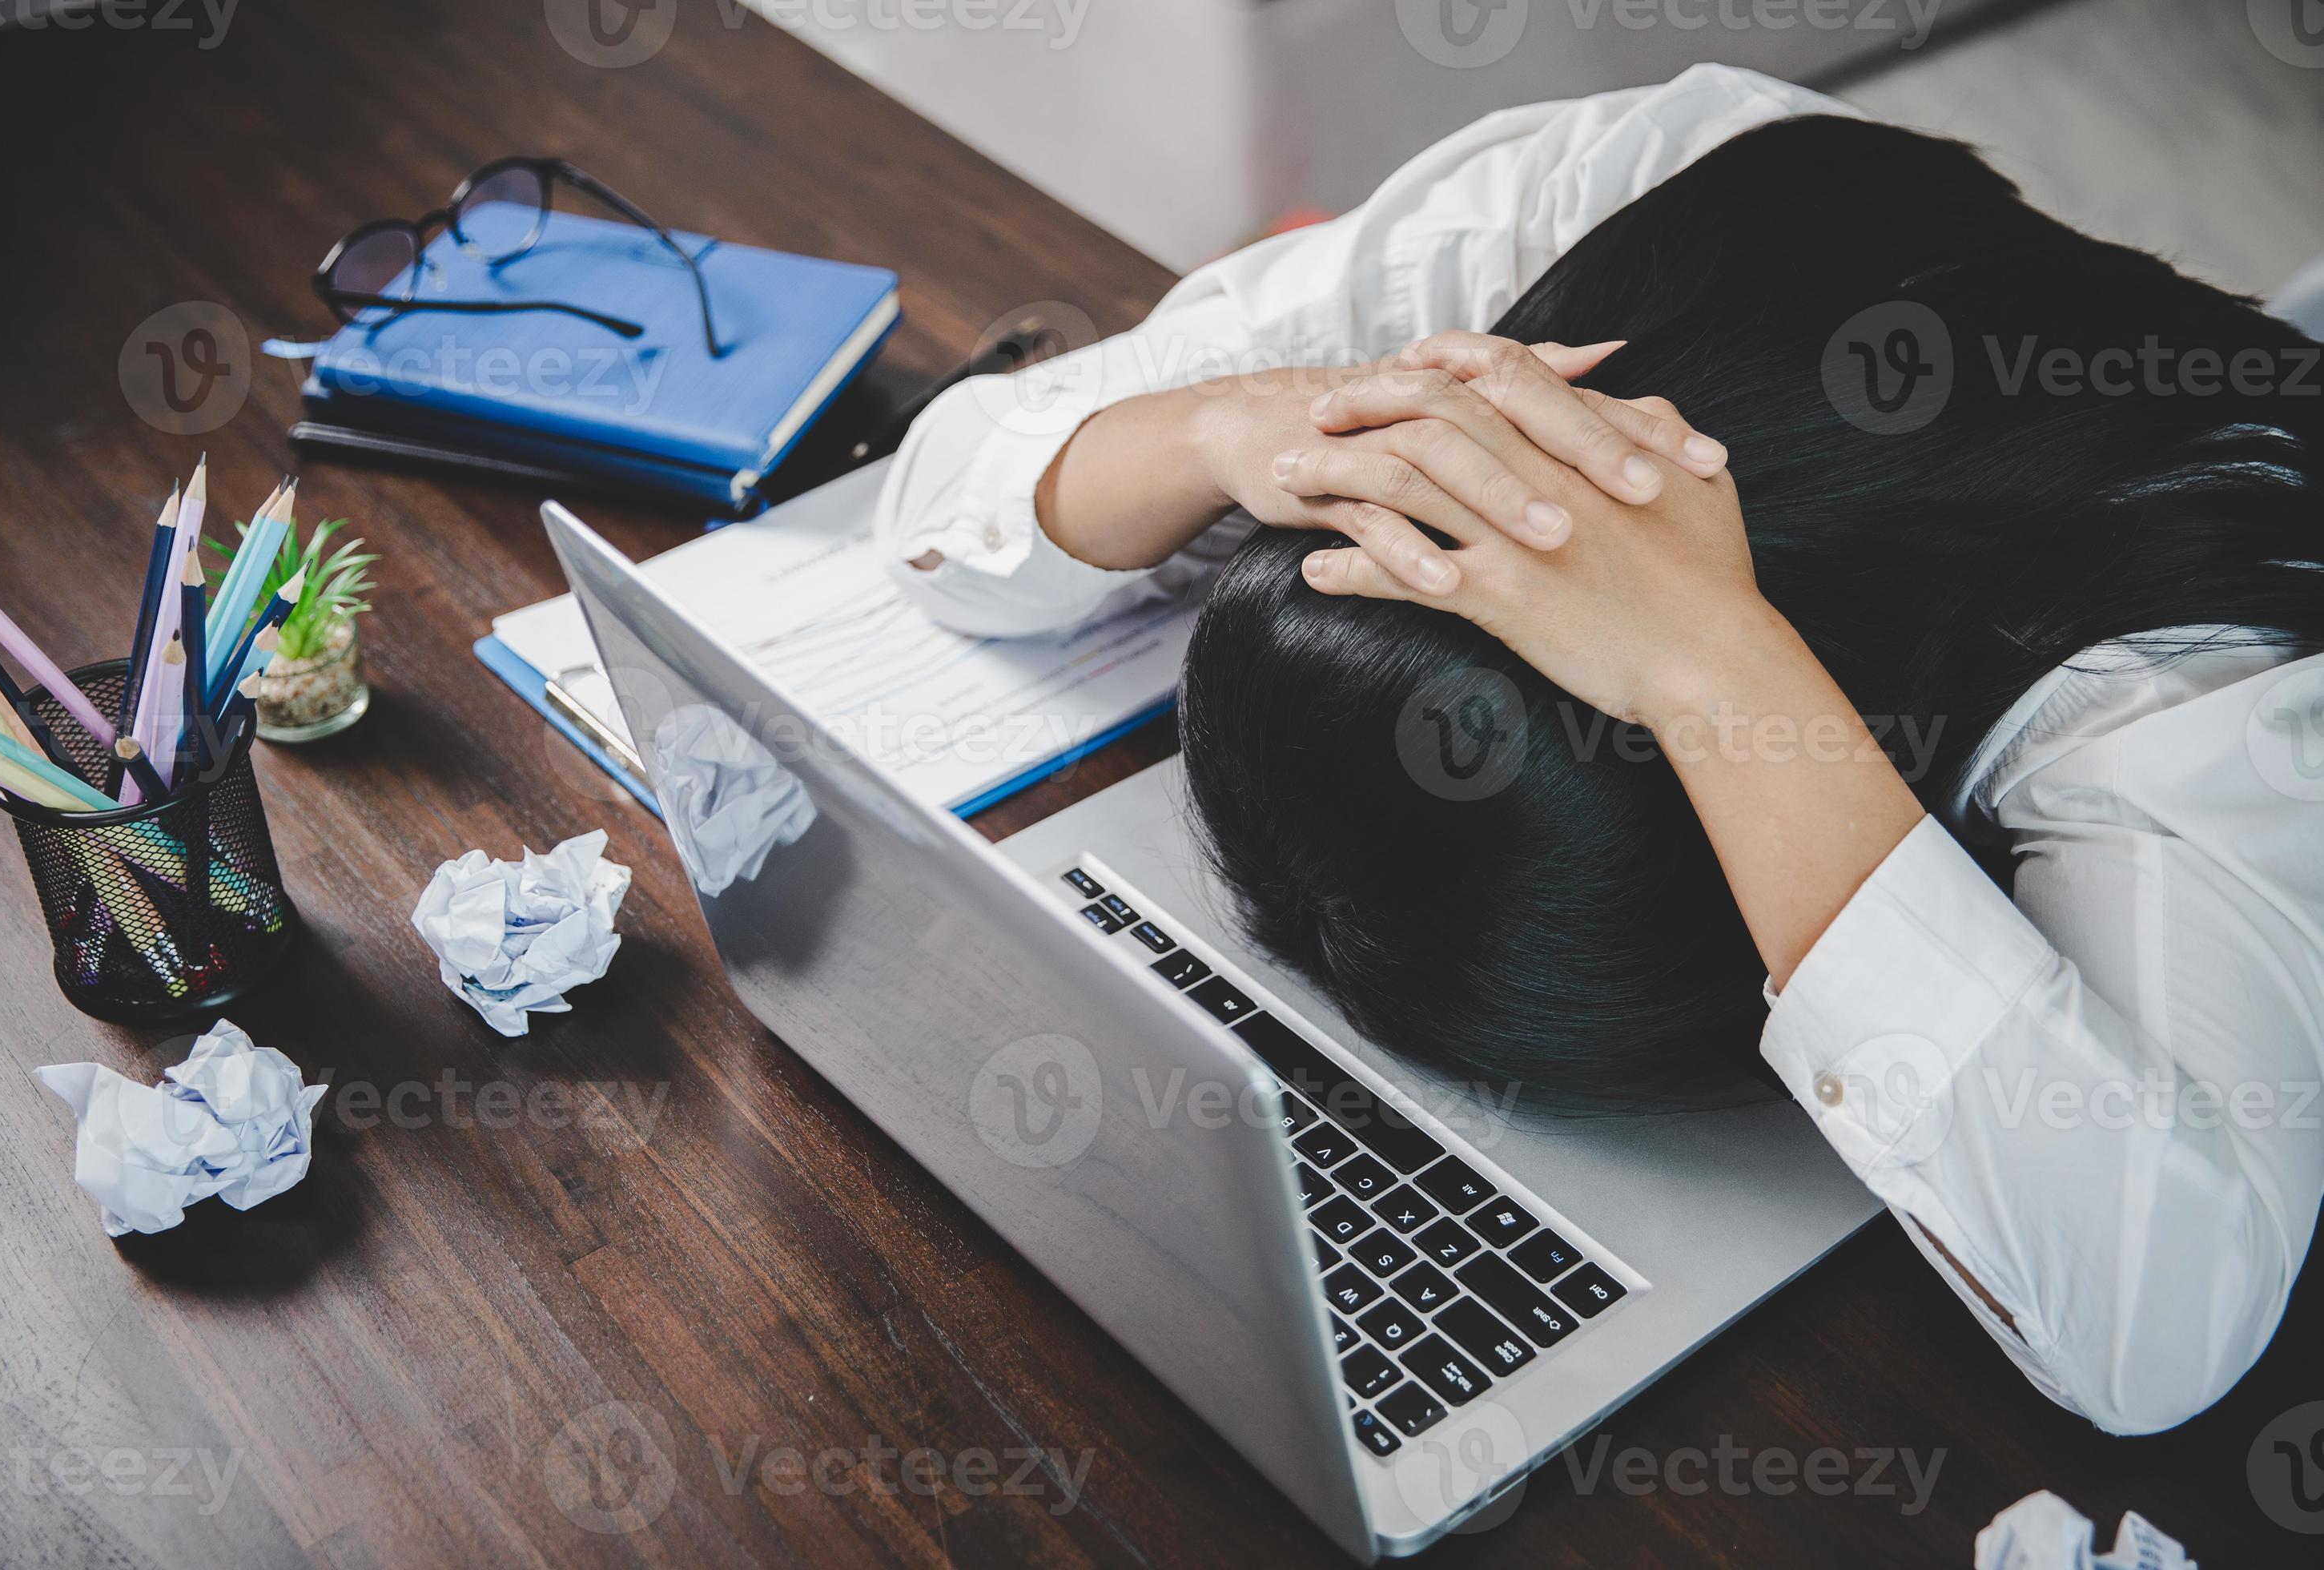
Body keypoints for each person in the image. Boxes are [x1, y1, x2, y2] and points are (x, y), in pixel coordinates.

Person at [875, 66, 2324, 1436]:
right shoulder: (1599, 212)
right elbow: (944, 511)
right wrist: (1242, 428)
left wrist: (1721, 672)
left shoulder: (2187, 682)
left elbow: (2162, 1335)